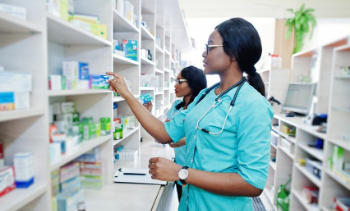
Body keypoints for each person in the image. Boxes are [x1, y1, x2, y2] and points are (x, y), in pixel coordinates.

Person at [106, 17, 273, 211]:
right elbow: (165, 133)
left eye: (210, 47)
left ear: (233, 53)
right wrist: (126, 94)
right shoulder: (205, 96)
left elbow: (252, 183)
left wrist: (182, 173)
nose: (204, 53)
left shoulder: (253, 105)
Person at [144, 66, 207, 202]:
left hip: (196, 169)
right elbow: (164, 133)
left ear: (193, 82)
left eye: (180, 81)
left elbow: (173, 138)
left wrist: (182, 139)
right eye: (175, 80)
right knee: (183, 201)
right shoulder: (176, 106)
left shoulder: (200, 109)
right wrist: (148, 113)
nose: (175, 85)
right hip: (178, 165)